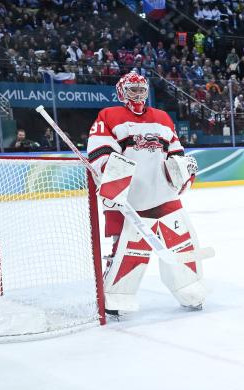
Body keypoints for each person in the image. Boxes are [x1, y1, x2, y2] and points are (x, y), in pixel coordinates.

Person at [86, 71, 205, 316]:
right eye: (132, 89)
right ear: (121, 92)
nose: (138, 94)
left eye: (141, 90)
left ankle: (189, 287)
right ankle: (117, 295)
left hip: (164, 195)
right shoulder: (109, 116)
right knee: (129, 250)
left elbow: (175, 152)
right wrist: (112, 178)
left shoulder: (162, 118)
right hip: (129, 199)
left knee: (181, 243)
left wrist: (182, 171)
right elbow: (99, 151)